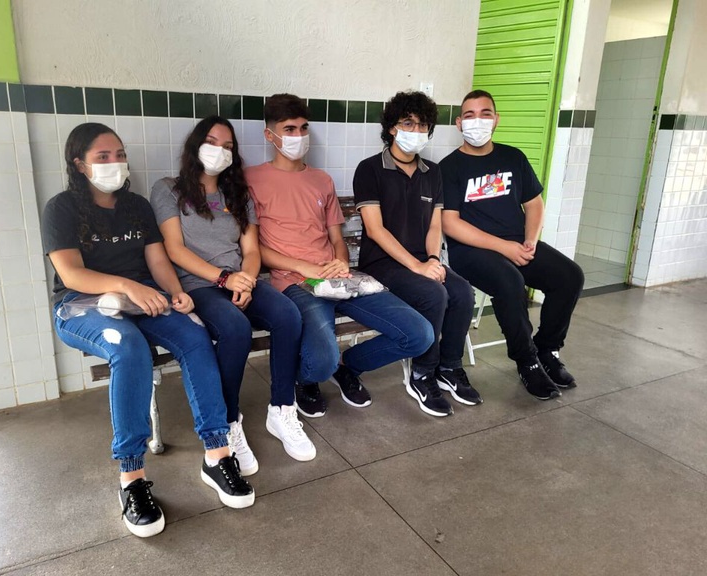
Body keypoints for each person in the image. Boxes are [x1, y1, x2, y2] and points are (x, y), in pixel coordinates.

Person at [42, 123, 254, 539]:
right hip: (82, 305)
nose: (115, 162)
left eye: (120, 154)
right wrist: (127, 286)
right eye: (103, 156)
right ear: (79, 164)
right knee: (130, 349)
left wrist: (177, 294)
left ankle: (217, 454)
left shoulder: (137, 205)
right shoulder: (61, 208)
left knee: (195, 337)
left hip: (144, 297)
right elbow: (72, 274)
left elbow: (158, 261)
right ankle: (132, 477)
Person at [245, 93, 434, 418]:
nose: (298, 136)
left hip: (340, 278)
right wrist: (304, 267)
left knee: (420, 334)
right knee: (321, 361)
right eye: (289, 129)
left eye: (303, 128)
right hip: (295, 284)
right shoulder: (252, 180)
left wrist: (342, 262)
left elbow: (336, 238)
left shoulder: (321, 180)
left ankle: (348, 366)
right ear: (269, 135)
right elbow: (252, 247)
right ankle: (307, 378)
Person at [150, 116, 316, 470]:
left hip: (239, 280)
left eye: (227, 147)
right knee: (235, 328)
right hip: (199, 286)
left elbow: (251, 250)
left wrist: (247, 280)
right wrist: (224, 279)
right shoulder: (168, 189)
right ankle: (228, 422)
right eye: (211, 142)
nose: (219, 151)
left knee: (288, 315)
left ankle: (282, 409)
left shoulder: (238, 195)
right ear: (195, 145)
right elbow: (174, 249)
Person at [440, 90, 584, 400]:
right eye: (469, 115)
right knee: (510, 281)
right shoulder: (448, 167)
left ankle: (547, 350)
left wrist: (530, 239)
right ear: (459, 123)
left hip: (518, 243)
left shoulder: (513, 157)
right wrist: (503, 247)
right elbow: (450, 223)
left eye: (485, 113)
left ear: (496, 120)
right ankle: (527, 360)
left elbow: (534, 203)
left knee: (570, 276)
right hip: (471, 250)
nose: (478, 121)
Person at [353, 91, 479, 417]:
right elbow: (375, 230)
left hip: (422, 261)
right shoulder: (369, 169)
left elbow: (435, 226)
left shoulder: (432, 172)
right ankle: (423, 373)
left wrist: (433, 260)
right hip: (382, 263)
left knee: (462, 292)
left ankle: (449, 367)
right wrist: (417, 267)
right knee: (434, 294)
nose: (416, 130)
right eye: (408, 123)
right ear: (392, 128)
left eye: (423, 125)